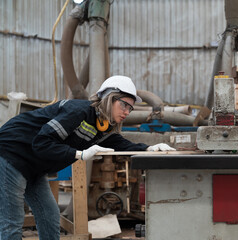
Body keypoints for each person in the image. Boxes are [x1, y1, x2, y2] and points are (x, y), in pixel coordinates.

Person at [0, 75, 175, 240]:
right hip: (11, 152)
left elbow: (120, 144)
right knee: (12, 221)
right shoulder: (79, 111)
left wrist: (150, 148)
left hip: (33, 166)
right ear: (109, 98)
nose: (127, 112)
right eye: (124, 105)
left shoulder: (102, 126)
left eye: (130, 108)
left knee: (49, 217)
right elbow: (41, 141)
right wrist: (80, 154)